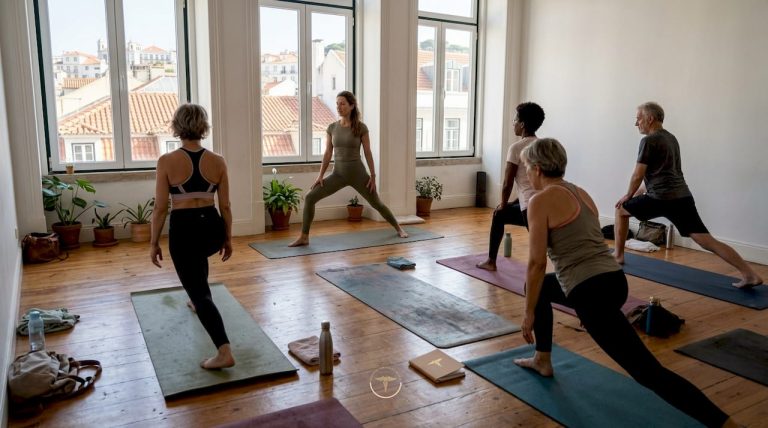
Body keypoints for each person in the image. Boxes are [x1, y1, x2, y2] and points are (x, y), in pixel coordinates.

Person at [513, 138, 735, 428]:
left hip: (589, 292)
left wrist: (529, 313)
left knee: (648, 373)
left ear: (538, 169)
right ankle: (543, 359)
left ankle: (725, 423)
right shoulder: (581, 193)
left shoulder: (539, 201)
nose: (527, 174)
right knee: (538, 287)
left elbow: (537, 262)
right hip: (614, 282)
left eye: (528, 168)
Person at [614, 102, 762, 288]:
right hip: (682, 197)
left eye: (638, 119)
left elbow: (638, 174)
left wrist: (628, 195)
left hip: (660, 198)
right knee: (707, 240)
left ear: (650, 118)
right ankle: (750, 274)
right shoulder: (671, 138)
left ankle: (618, 256)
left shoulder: (648, 141)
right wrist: (636, 193)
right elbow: (662, 174)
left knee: (621, 210)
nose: (636, 124)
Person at [150, 103, 235, 369]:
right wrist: (228, 238)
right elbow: (227, 207)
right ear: (203, 127)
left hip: (185, 228)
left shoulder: (166, 161)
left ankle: (224, 352)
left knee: (199, 291)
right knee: (198, 264)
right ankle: (197, 300)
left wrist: (153, 242)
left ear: (177, 126)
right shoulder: (218, 161)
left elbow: (161, 207)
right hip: (212, 226)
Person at [289, 91, 408, 246]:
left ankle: (399, 228)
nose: (339, 107)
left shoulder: (361, 128)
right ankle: (304, 237)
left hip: (358, 174)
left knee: (376, 203)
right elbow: (327, 153)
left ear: (351, 106)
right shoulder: (332, 128)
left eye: (343, 103)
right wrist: (320, 176)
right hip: (338, 174)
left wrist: (373, 176)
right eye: (337, 103)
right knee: (310, 197)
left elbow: (368, 152)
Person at [477, 102, 545, 271]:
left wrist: (502, 204)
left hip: (529, 208)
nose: (513, 122)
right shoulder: (543, 146)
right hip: (545, 202)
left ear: (522, 124)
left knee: (499, 215)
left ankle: (491, 262)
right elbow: (529, 184)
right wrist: (511, 203)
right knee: (545, 245)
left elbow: (508, 183)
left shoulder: (516, 148)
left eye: (515, 119)